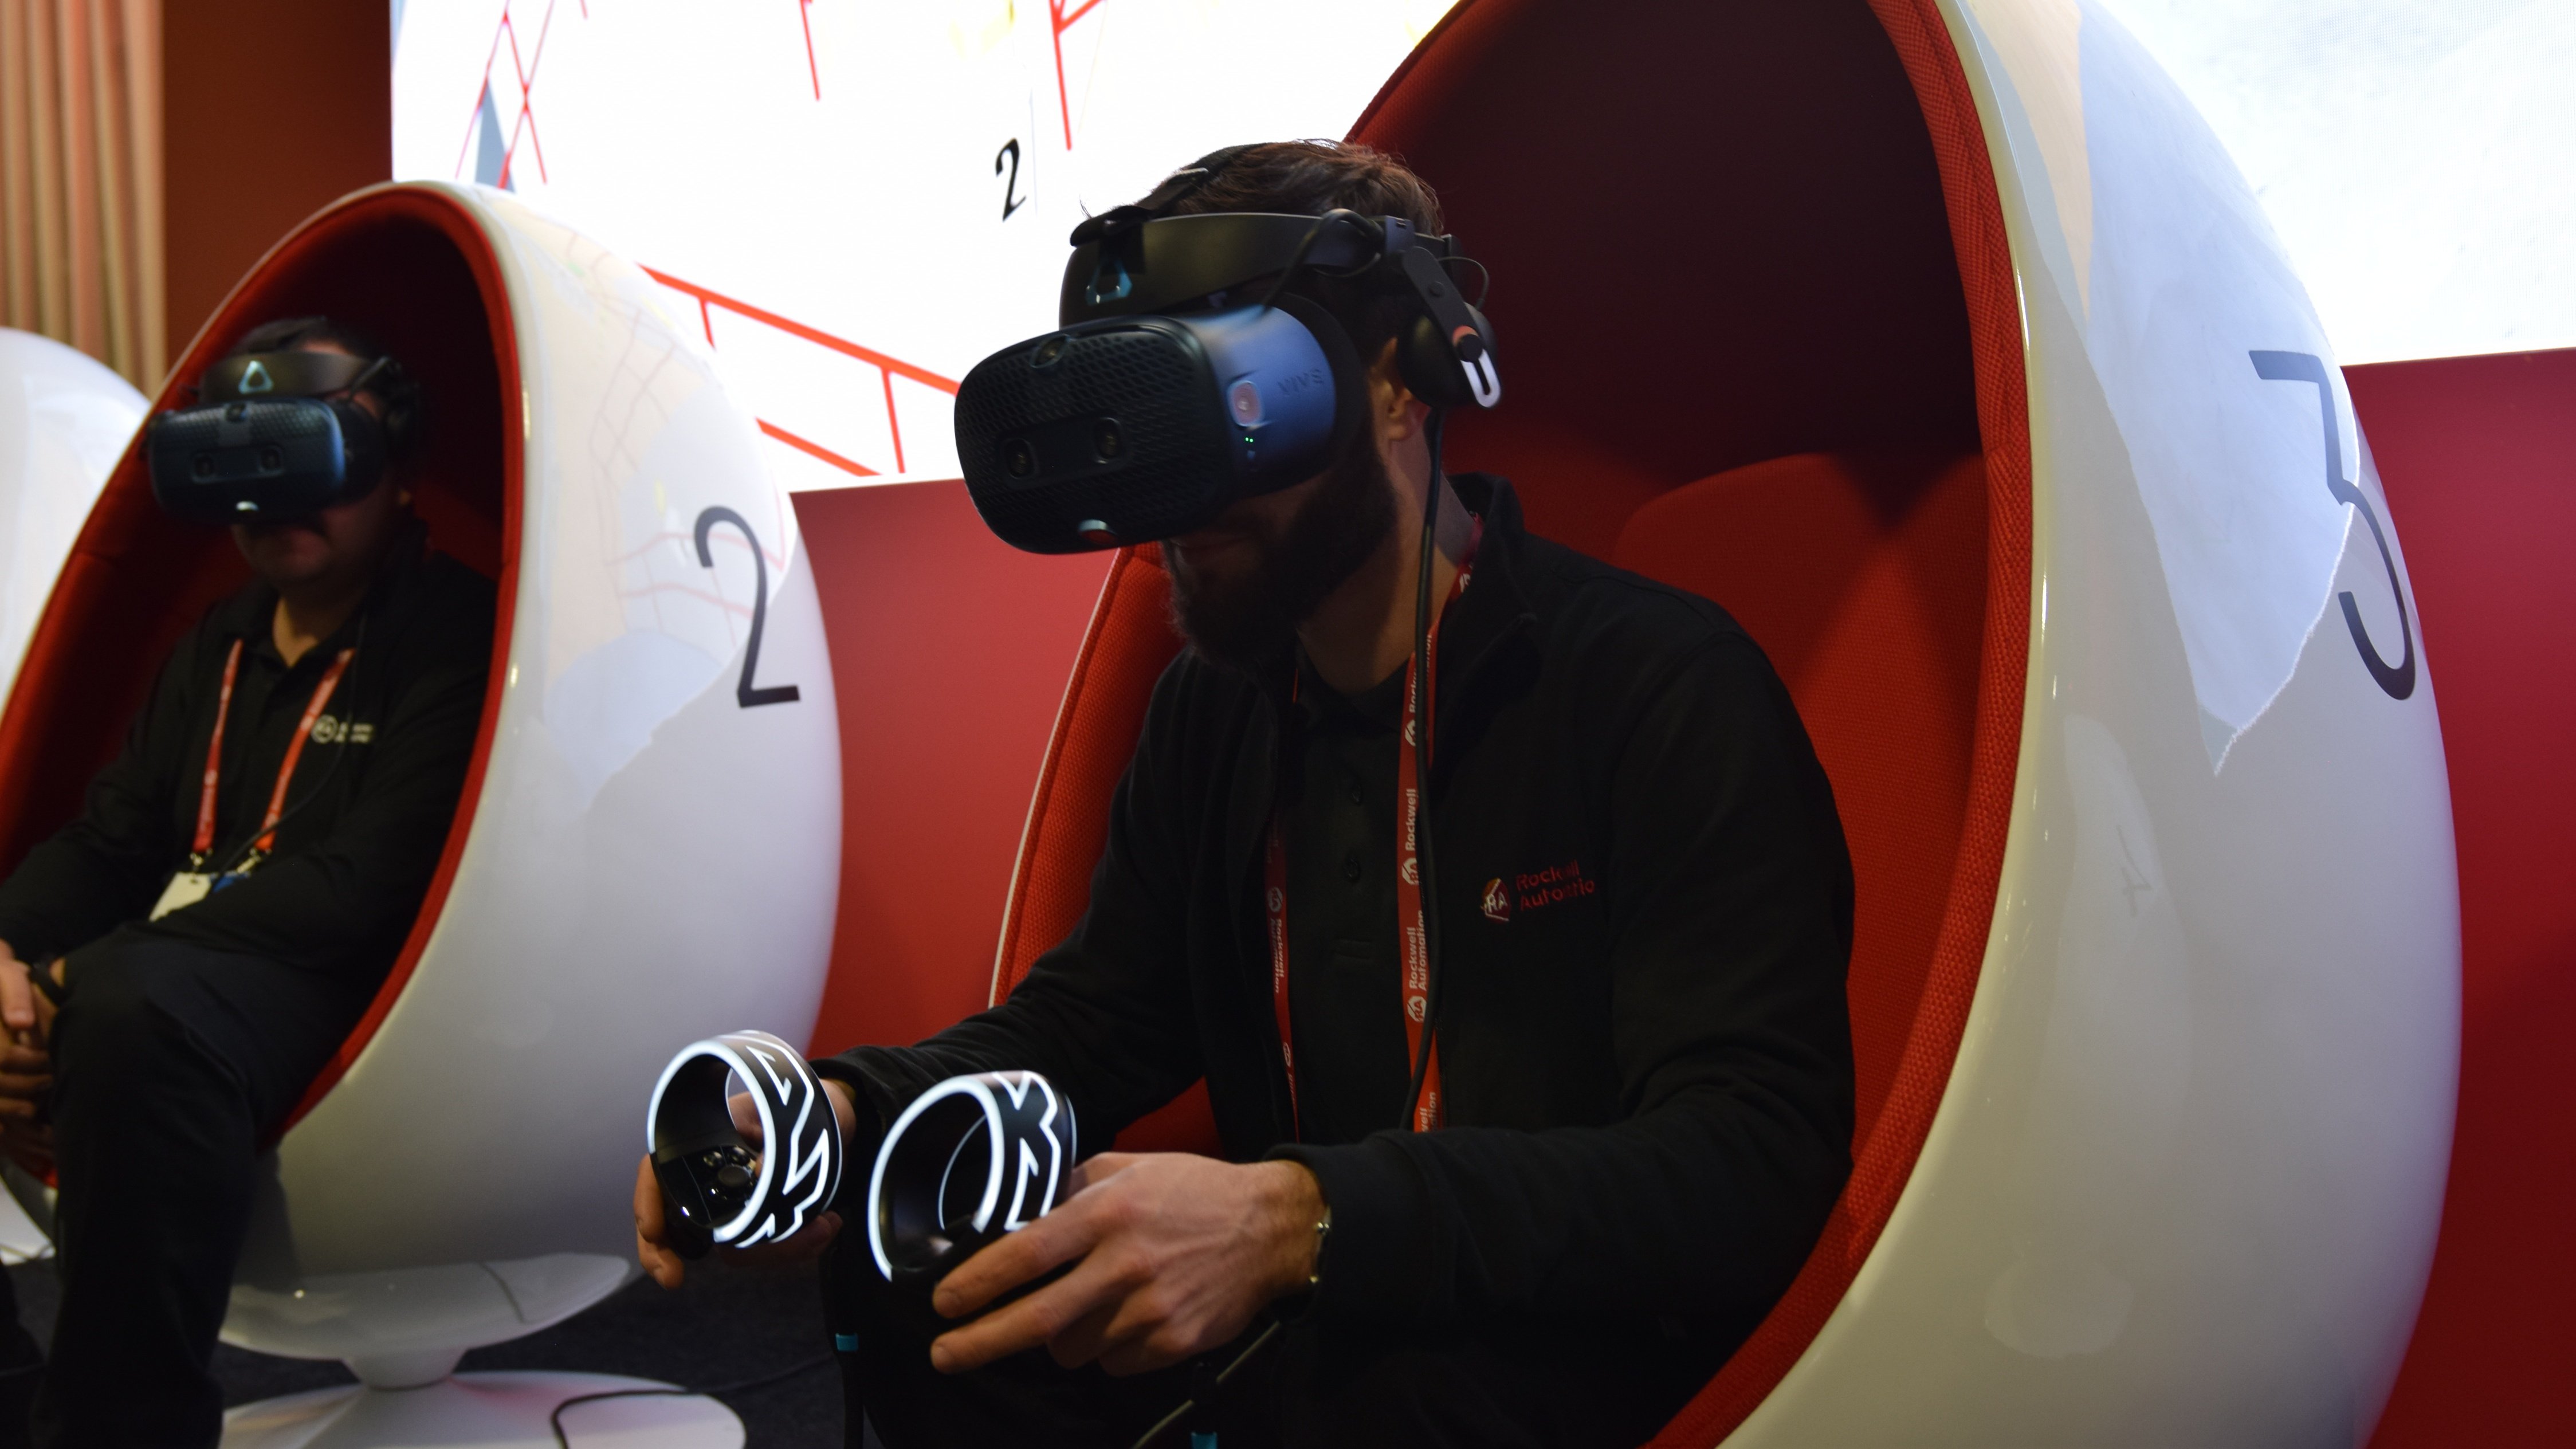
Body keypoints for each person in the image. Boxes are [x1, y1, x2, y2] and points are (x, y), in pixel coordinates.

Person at [634, 141, 1857, 1448]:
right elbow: (1101, 1019)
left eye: (1217, 407)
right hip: (1322, 1321)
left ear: (1395, 383)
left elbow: (1750, 1157)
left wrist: (1300, 1216)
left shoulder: (1654, 683)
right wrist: (846, 1106)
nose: (1176, 498)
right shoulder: (1215, 709)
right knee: (922, 1293)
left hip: (1572, 1345)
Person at [0, 316, 495, 1448]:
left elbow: (368, 887)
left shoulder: (455, 635)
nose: (279, 502)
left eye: (313, 458)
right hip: (183, 971)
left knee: (130, 1011)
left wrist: (81, 978)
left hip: (347, 987)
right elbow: (112, 836)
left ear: (397, 470)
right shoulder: (218, 645)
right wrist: (9, 955)